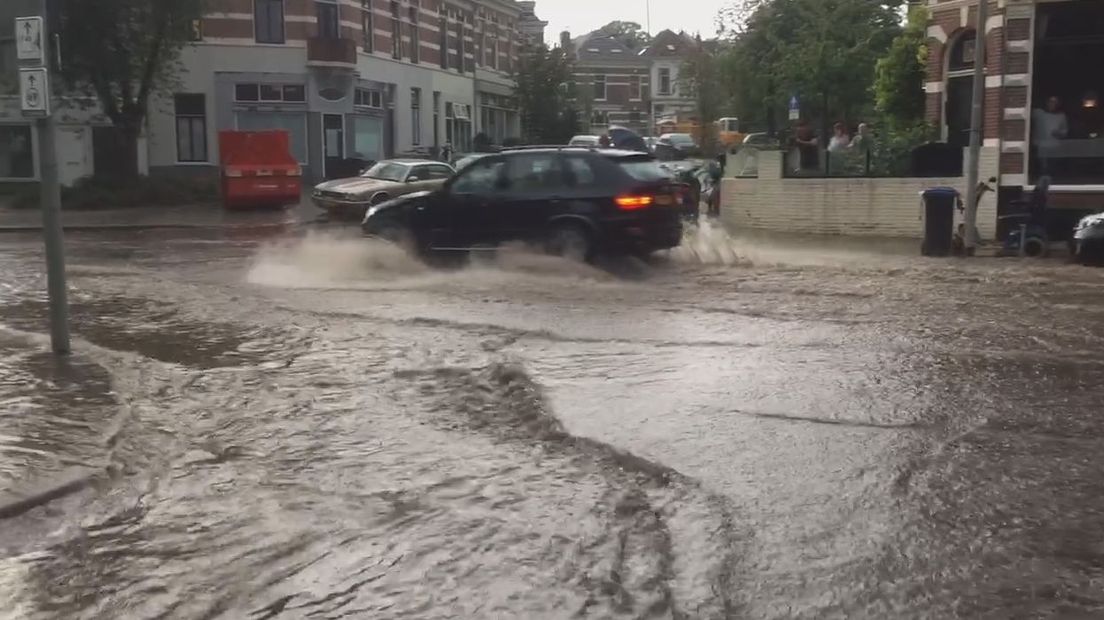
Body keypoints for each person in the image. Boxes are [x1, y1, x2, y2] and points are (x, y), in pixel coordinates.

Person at [1031, 96, 1068, 176]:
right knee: (1043, 167)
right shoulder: (1038, 113)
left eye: (1055, 102)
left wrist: (1058, 133)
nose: (1052, 104)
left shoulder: (1061, 116)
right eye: (1050, 102)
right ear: (1046, 103)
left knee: (1052, 167)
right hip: (1041, 145)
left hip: (1054, 146)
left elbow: (1065, 132)